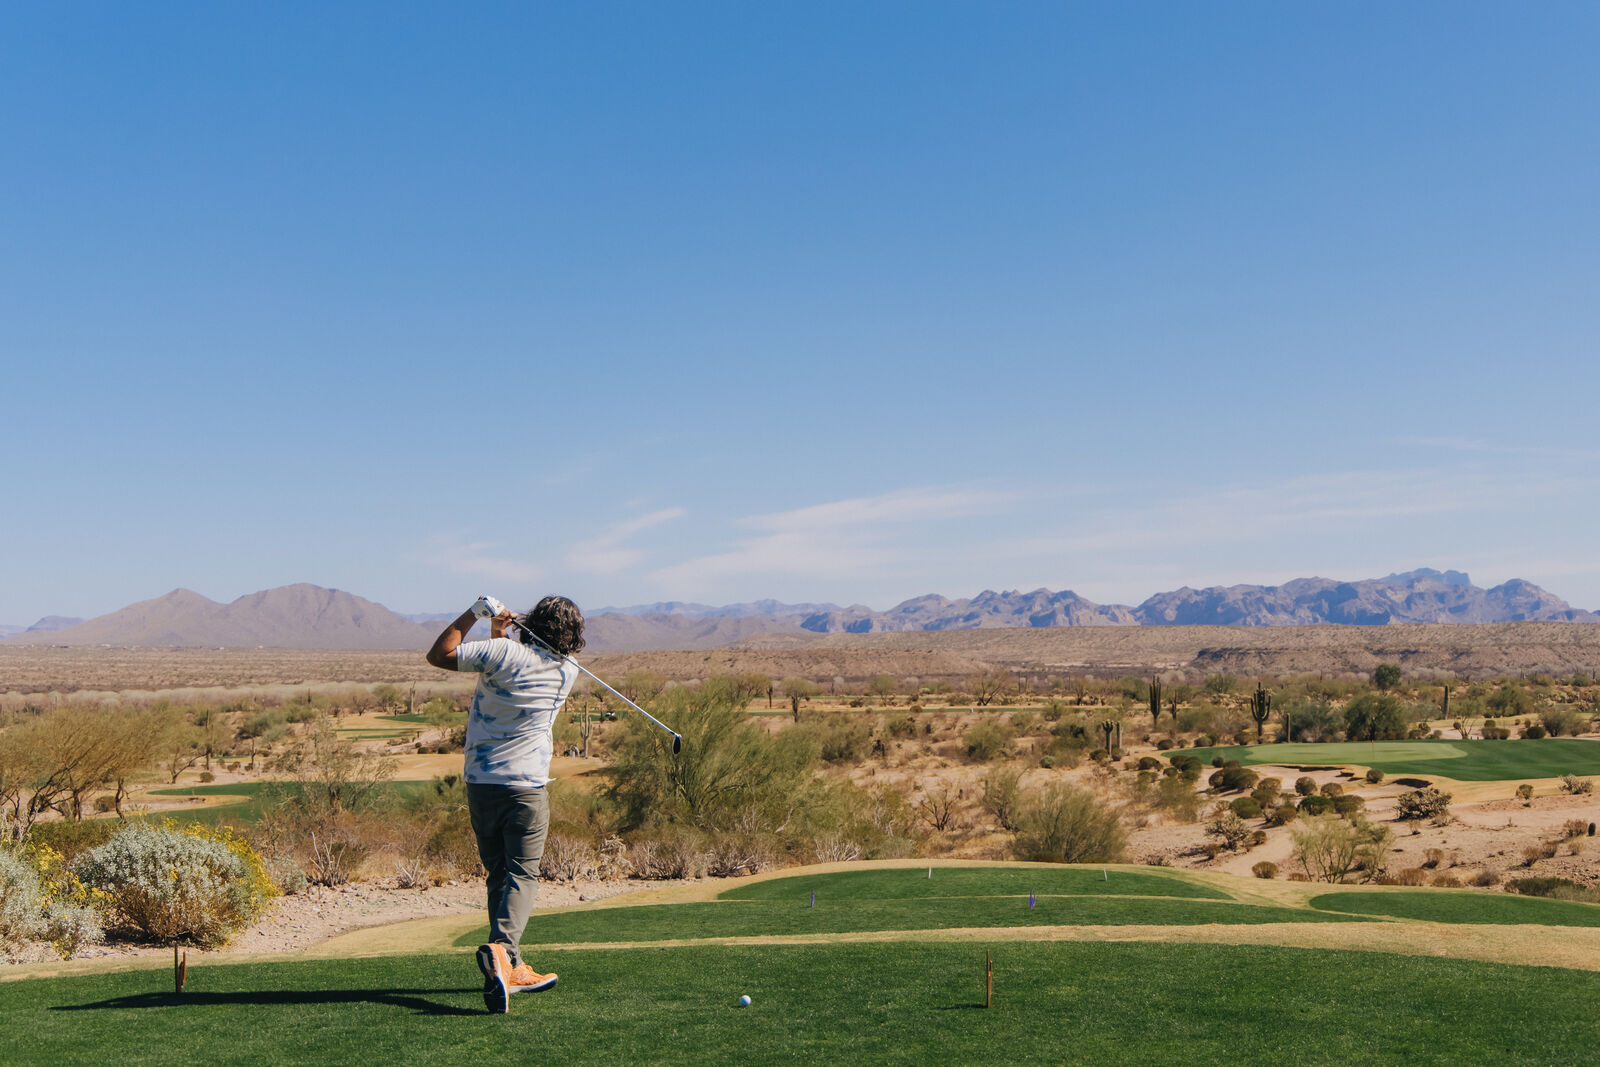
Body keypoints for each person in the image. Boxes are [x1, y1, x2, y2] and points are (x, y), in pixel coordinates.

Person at [426, 593, 585, 1014]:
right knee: (522, 872)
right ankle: (503, 950)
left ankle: (510, 964)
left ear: (533, 622)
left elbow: (439, 655)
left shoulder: (502, 652)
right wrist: (505, 636)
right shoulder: (567, 670)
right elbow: (513, 661)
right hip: (526, 789)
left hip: (482, 784)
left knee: (499, 872)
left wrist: (478, 614)